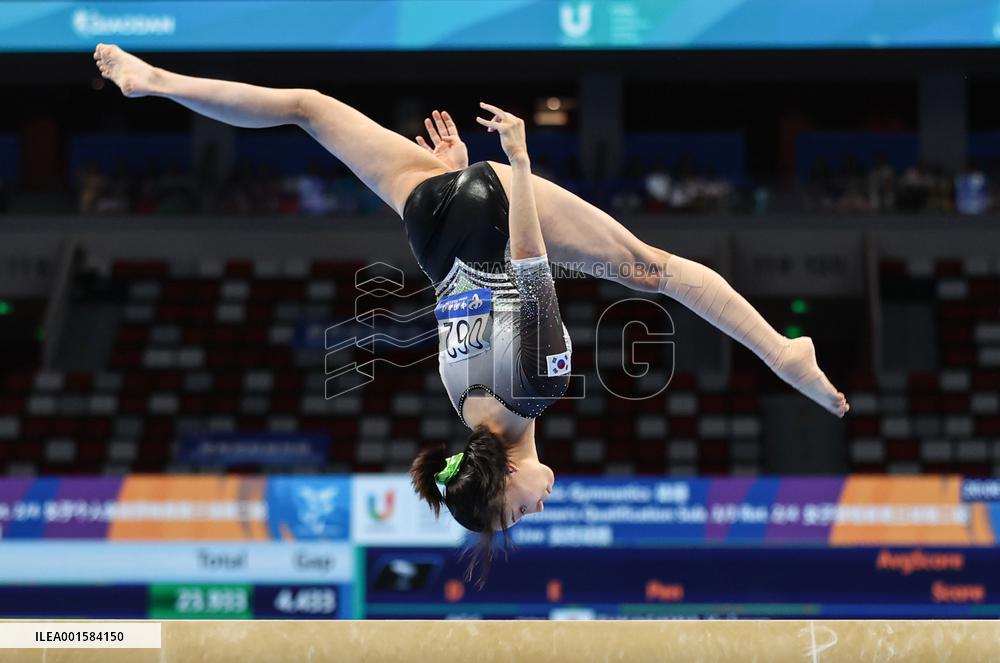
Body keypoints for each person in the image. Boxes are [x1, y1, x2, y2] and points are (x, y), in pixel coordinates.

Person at [93, 44, 850, 585]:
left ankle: (783, 354)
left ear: (507, 480)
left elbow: (527, 260)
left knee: (653, 270)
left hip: (491, 212)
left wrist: (516, 163)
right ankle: (154, 79)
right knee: (308, 109)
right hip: (431, 226)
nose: (533, 509)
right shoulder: (466, 404)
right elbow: (472, 300)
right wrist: (452, 176)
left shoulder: (538, 385)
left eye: (516, 514)